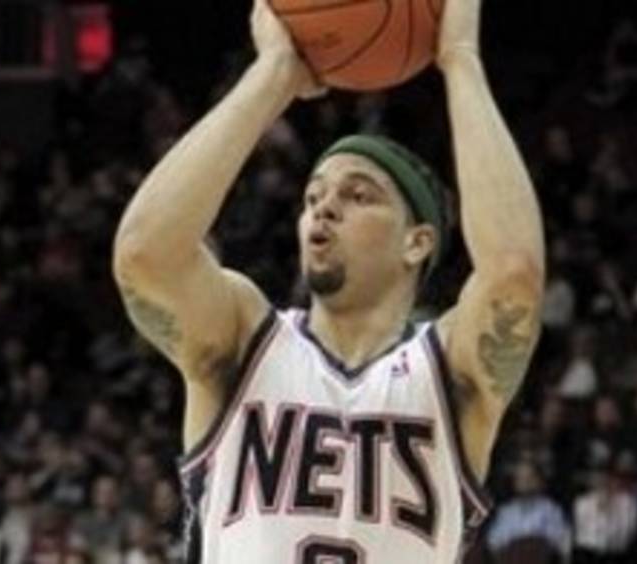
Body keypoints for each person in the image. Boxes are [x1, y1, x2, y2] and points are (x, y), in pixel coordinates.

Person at [112, 0, 545, 561]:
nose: (325, 207)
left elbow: (513, 271)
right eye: (313, 196)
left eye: (358, 195)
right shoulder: (245, 336)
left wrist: (461, 58)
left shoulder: (449, 369)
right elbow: (145, 255)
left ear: (417, 242)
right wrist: (273, 74)